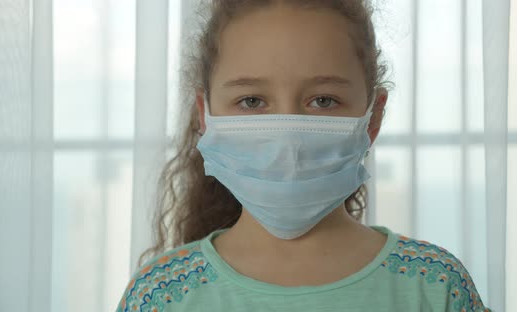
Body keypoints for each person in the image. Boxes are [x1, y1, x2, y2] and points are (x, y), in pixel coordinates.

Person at [116, 0, 492, 311]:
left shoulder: (437, 288)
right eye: (252, 101)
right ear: (205, 114)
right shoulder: (160, 296)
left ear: (372, 116)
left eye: (323, 100)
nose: (288, 136)